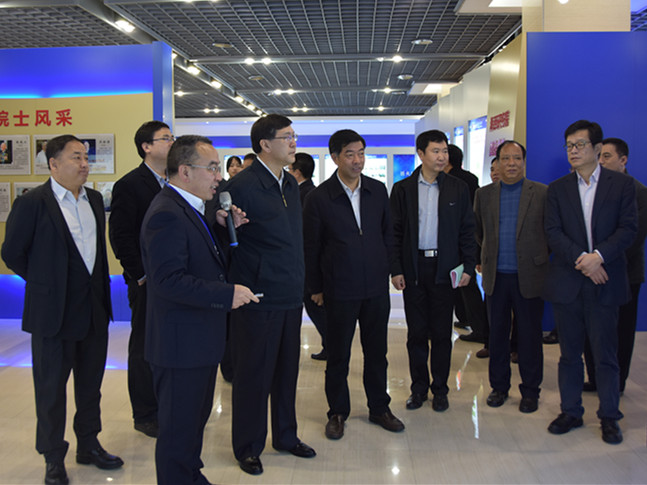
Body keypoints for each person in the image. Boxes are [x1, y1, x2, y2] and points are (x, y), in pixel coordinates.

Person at [1, 135, 123, 485]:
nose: (84, 164)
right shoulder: (33, 203)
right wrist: (45, 283)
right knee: (51, 389)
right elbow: (12, 253)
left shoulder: (95, 200)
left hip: (93, 311)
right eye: (76, 157)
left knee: (91, 386)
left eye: (86, 157)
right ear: (53, 164)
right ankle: (53, 456)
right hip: (52, 314)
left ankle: (89, 444)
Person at [140, 134, 257, 484]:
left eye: (218, 168)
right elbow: (168, 281)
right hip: (180, 346)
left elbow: (198, 260)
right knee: (178, 431)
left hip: (198, 342)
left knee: (192, 424)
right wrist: (226, 294)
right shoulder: (167, 213)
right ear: (185, 171)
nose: (219, 177)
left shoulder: (192, 209)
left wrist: (223, 230)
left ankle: (191, 475)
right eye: (212, 168)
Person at [225, 114, 316, 476]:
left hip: (290, 291)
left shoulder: (290, 183)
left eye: (294, 136)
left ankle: (285, 435)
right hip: (257, 295)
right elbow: (223, 235)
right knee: (253, 374)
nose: (293, 143)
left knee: (286, 370)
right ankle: (248, 446)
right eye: (286, 137)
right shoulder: (241, 186)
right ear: (265, 144)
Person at [304, 130, 404, 440]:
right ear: (335, 157)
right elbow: (311, 247)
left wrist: (394, 270)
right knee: (338, 355)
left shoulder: (377, 190)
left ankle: (379, 407)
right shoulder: (319, 197)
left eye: (361, 153)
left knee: (377, 353)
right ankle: (337, 411)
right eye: (350, 154)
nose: (357, 160)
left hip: (375, 286)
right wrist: (315, 287)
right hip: (339, 287)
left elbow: (388, 235)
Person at [544, 120, 637, 445]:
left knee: (605, 355)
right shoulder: (557, 189)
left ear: (597, 148)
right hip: (569, 282)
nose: (573, 151)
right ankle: (571, 411)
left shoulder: (621, 185)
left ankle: (609, 416)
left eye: (579, 145)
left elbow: (628, 229)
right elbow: (553, 232)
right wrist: (584, 260)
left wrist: (599, 256)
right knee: (569, 354)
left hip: (605, 280)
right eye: (569, 145)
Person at [390, 129, 477, 412]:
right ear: (421, 154)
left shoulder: (457, 188)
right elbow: (394, 232)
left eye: (445, 151)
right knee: (416, 333)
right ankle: (418, 389)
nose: (442, 156)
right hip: (414, 268)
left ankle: (440, 389)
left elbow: (467, 230)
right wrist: (395, 269)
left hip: (445, 269)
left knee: (441, 333)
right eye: (436, 151)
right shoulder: (403, 189)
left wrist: (468, 266)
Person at [473, 140, 549, 413]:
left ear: (524, 162)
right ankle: (499, 387)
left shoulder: (541, 193)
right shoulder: (484, 195)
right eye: (506, 159)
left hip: (530, 276)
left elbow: (550, 232)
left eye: (517, 158)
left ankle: (530, 391)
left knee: (529, 336)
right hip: (496, 277)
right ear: (497, 163)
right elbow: (478, 231)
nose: (512, 163)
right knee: (497, 336)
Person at [109, 120, 173, 438]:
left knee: (169, 344)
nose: (172, 143)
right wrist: (140, 275)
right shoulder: (130, 184)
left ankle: (167, 405)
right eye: (165, 138)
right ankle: (145, 413)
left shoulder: (176, 181)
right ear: (146, 147)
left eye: (173, 137)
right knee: (145, 346)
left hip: (174, 280)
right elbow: (121, 235)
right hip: (147, 281)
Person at [582, 137, 647, 394]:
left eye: (607, 156)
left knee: (621, 331)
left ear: (623, 160)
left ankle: (616, 384)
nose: (601, 161)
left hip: (624, 273)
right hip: (591, 272)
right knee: (592, 329)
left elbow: (632, 237)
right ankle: (595, 377)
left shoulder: (638, 192)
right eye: (599, 156)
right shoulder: (593, 188)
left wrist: (600, 259)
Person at [445, 145, 489, 351]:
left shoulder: (453, 182)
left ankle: (480, 328)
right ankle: (465, 318)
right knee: (462, 282)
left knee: (466, 284)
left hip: (459, 241)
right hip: (468, 239)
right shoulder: (470, 178)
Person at [290, 151, 328, 361]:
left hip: (307, 261)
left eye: (289, 169)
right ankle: (330, 345)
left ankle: (331, 345)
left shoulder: (304, 194)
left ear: (297, 172)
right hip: (308, 261)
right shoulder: (310, 192)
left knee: (314, 303)